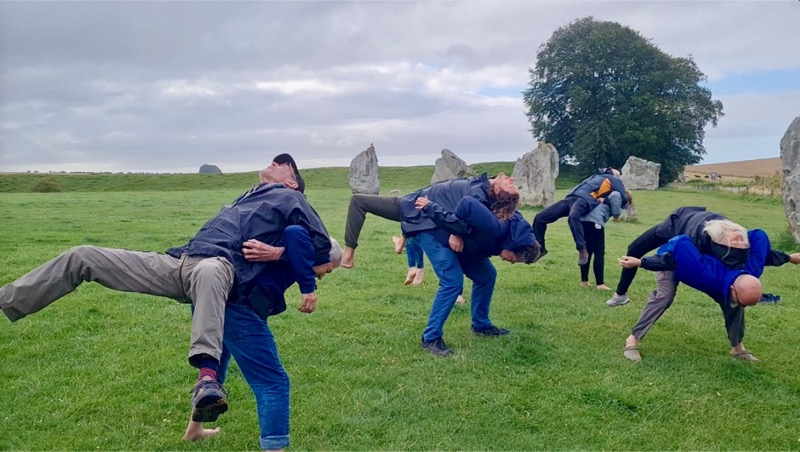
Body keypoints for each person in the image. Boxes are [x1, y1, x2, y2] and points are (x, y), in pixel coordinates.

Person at [0, 158, 333, 425]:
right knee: (83, 255)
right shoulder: (247, 197)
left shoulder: (291, 197)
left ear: (292, 183)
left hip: (219, 268)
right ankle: (7, 299)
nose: (275, 162)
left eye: (284, 165)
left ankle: (206, 379)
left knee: (212, 270)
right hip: (179, 264)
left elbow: (320, 247)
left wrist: (276, 254)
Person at [184, 226, 341, 450]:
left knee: (216, 365)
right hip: (236, 305)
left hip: (209, 293)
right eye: (328, 269)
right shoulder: (293, 249)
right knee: (273, 381)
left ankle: (194, 431)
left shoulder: (278, 248)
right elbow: (295, 232)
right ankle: (275, 447)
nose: (323, 276)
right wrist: (307, 287)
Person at [618, 225, 800, 362]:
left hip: (716, 272)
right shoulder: (706, 272)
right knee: (664, 296)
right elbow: (674, 253)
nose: (742, 304)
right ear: (732, 289)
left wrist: (789, 258)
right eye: (741, 299)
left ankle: (737, 348)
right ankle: (632, 340)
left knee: (734, 306)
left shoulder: (749, 268)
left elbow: (760, 254)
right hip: (670, 260)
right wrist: (642, 262)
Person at [412, 195, 540, 356]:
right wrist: (455, 232)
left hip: (466, 248)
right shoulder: (497, 228)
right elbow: (467, 202)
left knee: (487, 275)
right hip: (436, 234)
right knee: (453, 282)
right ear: (513, 246)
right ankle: (431, 338)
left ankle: (481, 325)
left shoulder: (514, 233)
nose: (511, 262)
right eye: (513, 259)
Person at [341, 172, 520, 269]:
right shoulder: (482, 185)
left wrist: (455, 232)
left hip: (413, 208)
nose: (511, 179)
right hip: (414, 202)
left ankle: (348, 255)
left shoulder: (478, 197)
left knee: (358, 201)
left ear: (499, 192)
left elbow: (464, 222)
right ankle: (401, 241)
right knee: (360, 201)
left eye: (511, 185)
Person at [606, 206, 751, 307]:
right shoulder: (727, 231)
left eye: (739, 241)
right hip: (676, 222)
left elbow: (672, 259)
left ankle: (737, 345)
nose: (738, 237)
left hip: (677, 228)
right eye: (737, 239)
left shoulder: (695, 240)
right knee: (634, 248)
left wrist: (641, 262)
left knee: (636, 250)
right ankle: (620, 295)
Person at [532, 167, 628, 265]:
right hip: (570, 199)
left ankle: (582, 249)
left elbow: (624, 198)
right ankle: (540, 248)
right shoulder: (596, 176)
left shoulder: (614, 179)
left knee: (573, 216)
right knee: (540, 218)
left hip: (585, 200)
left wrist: (605, 200)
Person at [578, 190, 627, 290]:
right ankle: (600, 284)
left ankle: (584, 281)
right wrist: (616, 215)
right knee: (599, 253)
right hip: (595, 222)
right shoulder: (616, 193)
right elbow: (615, 197)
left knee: (587, 251)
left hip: (583, 220)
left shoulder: (601, 193)